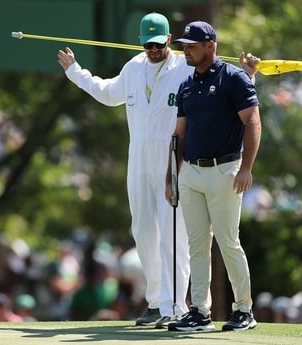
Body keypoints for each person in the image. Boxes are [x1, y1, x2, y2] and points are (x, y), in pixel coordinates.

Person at [58, 12, 255, 328]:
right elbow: (108, 93)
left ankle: (175, 305)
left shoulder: (184, 68)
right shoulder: (134, 67)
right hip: (138, 160)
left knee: (174, 235)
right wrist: (75, 72)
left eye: (157, 44)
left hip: (173, 161)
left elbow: (222, 94)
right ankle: (155, 302)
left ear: (167, 39)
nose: (152, 50)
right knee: (144, 232)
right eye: (146, 44)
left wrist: (248, 76)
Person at [165, 21, 260, 332]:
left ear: (211, 45)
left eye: (192, 45)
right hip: (191, 172)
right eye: (184, 45)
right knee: (196, 245)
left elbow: (252, 122)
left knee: (228, 242)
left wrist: (246, 167)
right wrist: (171, 176)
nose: (185, 50)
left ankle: (244, 309)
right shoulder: (187, 86)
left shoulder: (234, 79)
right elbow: (179, 134)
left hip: (225, 171)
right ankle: (199, 312)